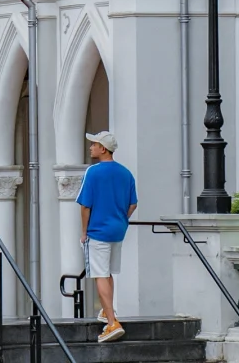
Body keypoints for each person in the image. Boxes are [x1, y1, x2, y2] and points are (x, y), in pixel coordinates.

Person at [77, 130, 137, 343]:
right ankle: (107, 310)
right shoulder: (126, 173)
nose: (91, 147)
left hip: (98, 231)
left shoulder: (93, 172)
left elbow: (85, 205)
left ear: (103, 148)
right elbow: (133, 204)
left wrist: (84, 232)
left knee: (99, 274)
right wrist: (122, 219)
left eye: (93, 144)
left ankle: (112, 323)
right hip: (118, 230)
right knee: (108, 272)